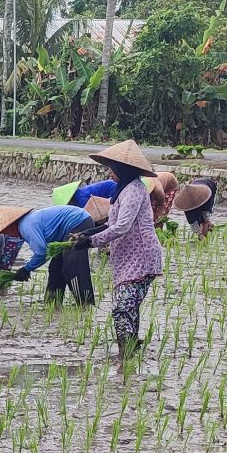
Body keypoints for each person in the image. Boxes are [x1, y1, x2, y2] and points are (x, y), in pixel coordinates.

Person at [70, 140, 165, 360]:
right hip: (129, 259)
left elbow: (122, 227)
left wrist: (91, 243)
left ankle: (126, 356)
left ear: (123, 168)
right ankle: (130, 350)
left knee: (122, 308)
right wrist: (87, 235)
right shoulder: (123, 190)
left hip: (140, 258)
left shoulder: (133, 190)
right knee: (129, 307)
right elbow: (112, 223)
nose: (109, 172)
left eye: (112, 168)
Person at [0, 203, 100, 306]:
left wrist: (26, 269)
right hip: (72, 224)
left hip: (79, 222)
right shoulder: (25, 223)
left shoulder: (26, 227)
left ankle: (86, 303)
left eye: (4, 231)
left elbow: (41, 252)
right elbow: (47, 252)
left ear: (10, 226)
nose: (5, 234)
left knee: (71, 266)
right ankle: (52, 301)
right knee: (55, 268)